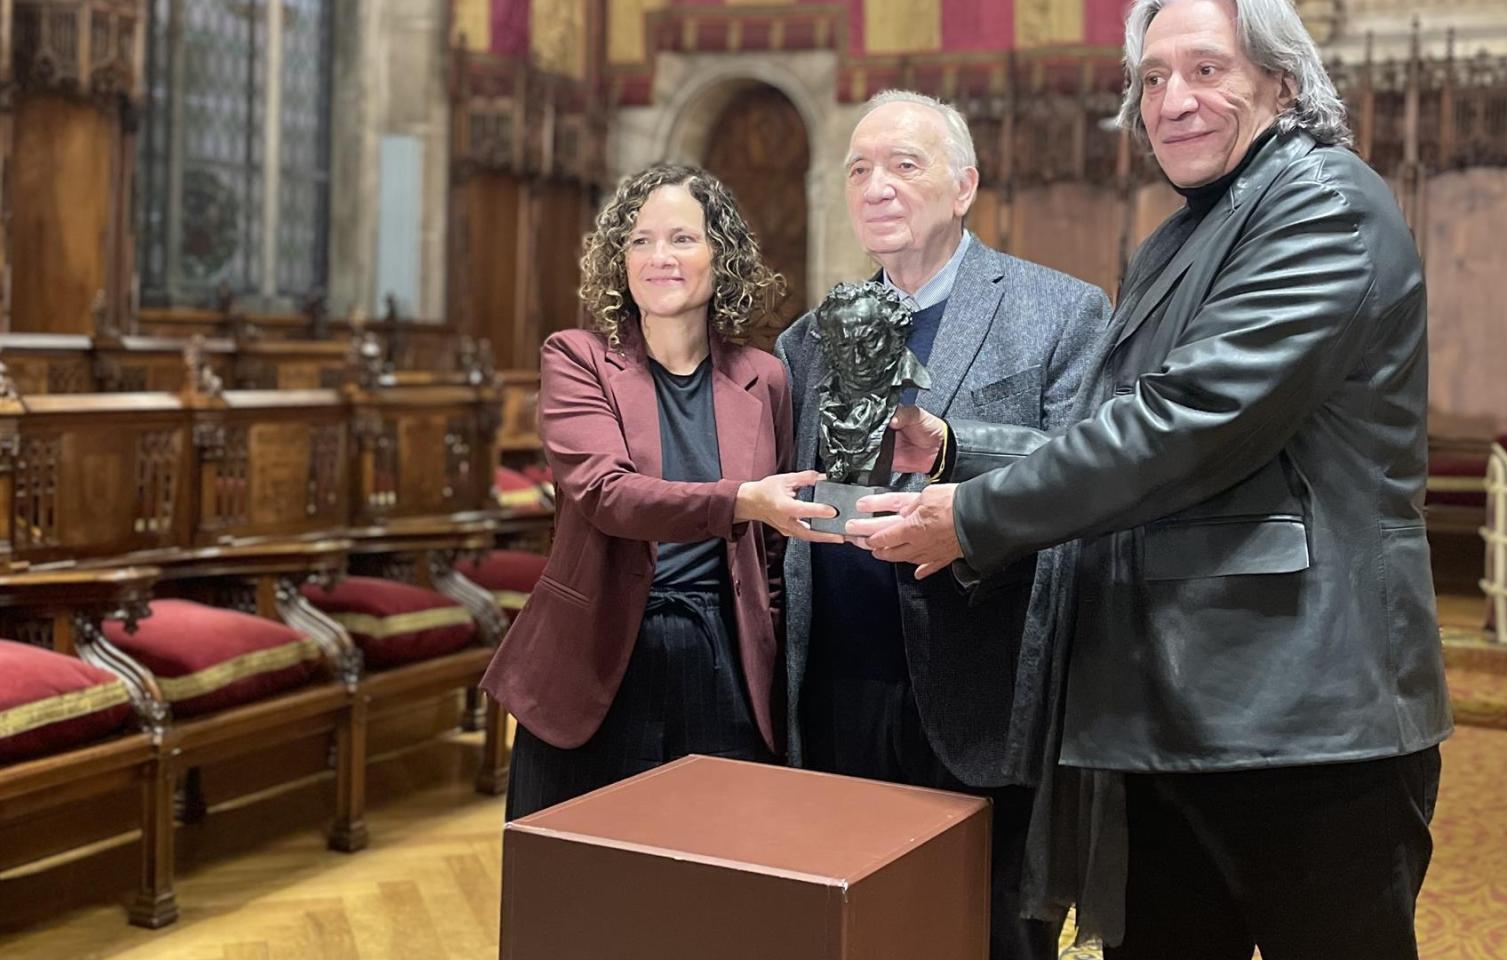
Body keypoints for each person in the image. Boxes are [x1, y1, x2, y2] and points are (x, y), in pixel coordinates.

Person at [850, 2, 1453, 957]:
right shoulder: (1192, 229)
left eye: (1207, 71)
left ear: (1283, 83)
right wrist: (959, 451)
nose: (1174, 100)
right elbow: (1112, 427)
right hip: (1175, 707)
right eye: (1154, 78)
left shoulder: (1322, 202)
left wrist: (972, 516)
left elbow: (1185, 427)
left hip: (1306, 715)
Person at [773, 90, 1109, 960]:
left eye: (903, 164)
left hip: (981, 684)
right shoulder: (807, 339)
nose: (876, 185)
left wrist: (957, 454)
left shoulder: (1060, 310)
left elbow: (1085, 470)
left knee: (989, 935)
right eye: (858, 169)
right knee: (852, 934)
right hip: (838, 684)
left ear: (963, 187)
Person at [483, 163, 839, 821]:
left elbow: (769, 562)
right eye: (640, 240)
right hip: (601, 654)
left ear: (720, 256)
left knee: (716, 885)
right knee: (577, 892)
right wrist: (739, 500)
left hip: (725, 660)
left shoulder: (765, 379)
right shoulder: (577, 356)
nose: (659, 258)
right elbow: (608, 495)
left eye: (682, 239)